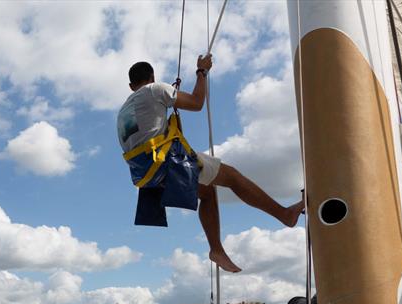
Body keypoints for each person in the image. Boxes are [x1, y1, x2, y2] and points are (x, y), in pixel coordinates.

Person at [117, 57, 305, 273]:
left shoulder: (124, 110)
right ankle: (284, 215)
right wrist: (201, 72)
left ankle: (216, 249)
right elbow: (197, 103)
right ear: (152, 78)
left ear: (131, 86)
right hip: (164, 162)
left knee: (207, 193)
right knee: (232, 177)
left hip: (145, 175)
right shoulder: (155, 89)